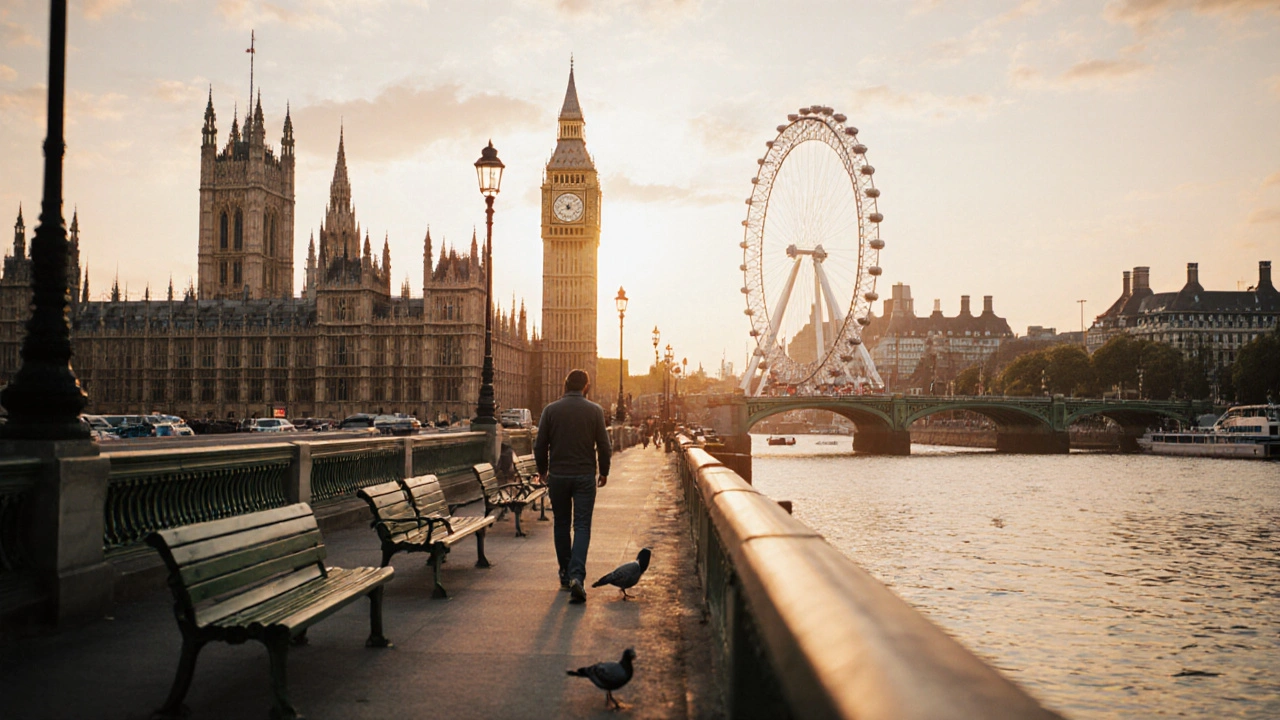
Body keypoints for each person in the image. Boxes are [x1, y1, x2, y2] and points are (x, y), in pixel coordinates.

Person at [535, 369, 611, 604]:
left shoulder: (550, 410)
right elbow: (604, 445)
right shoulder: (595, 411)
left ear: (565, 385)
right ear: (586, 387)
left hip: (558, 476)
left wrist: (542, 471)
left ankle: (565, 573)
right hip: (585, 475)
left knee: (561, 524)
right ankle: (577, 575)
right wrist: (604, 471)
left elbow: (539, 445)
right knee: (581, 526)